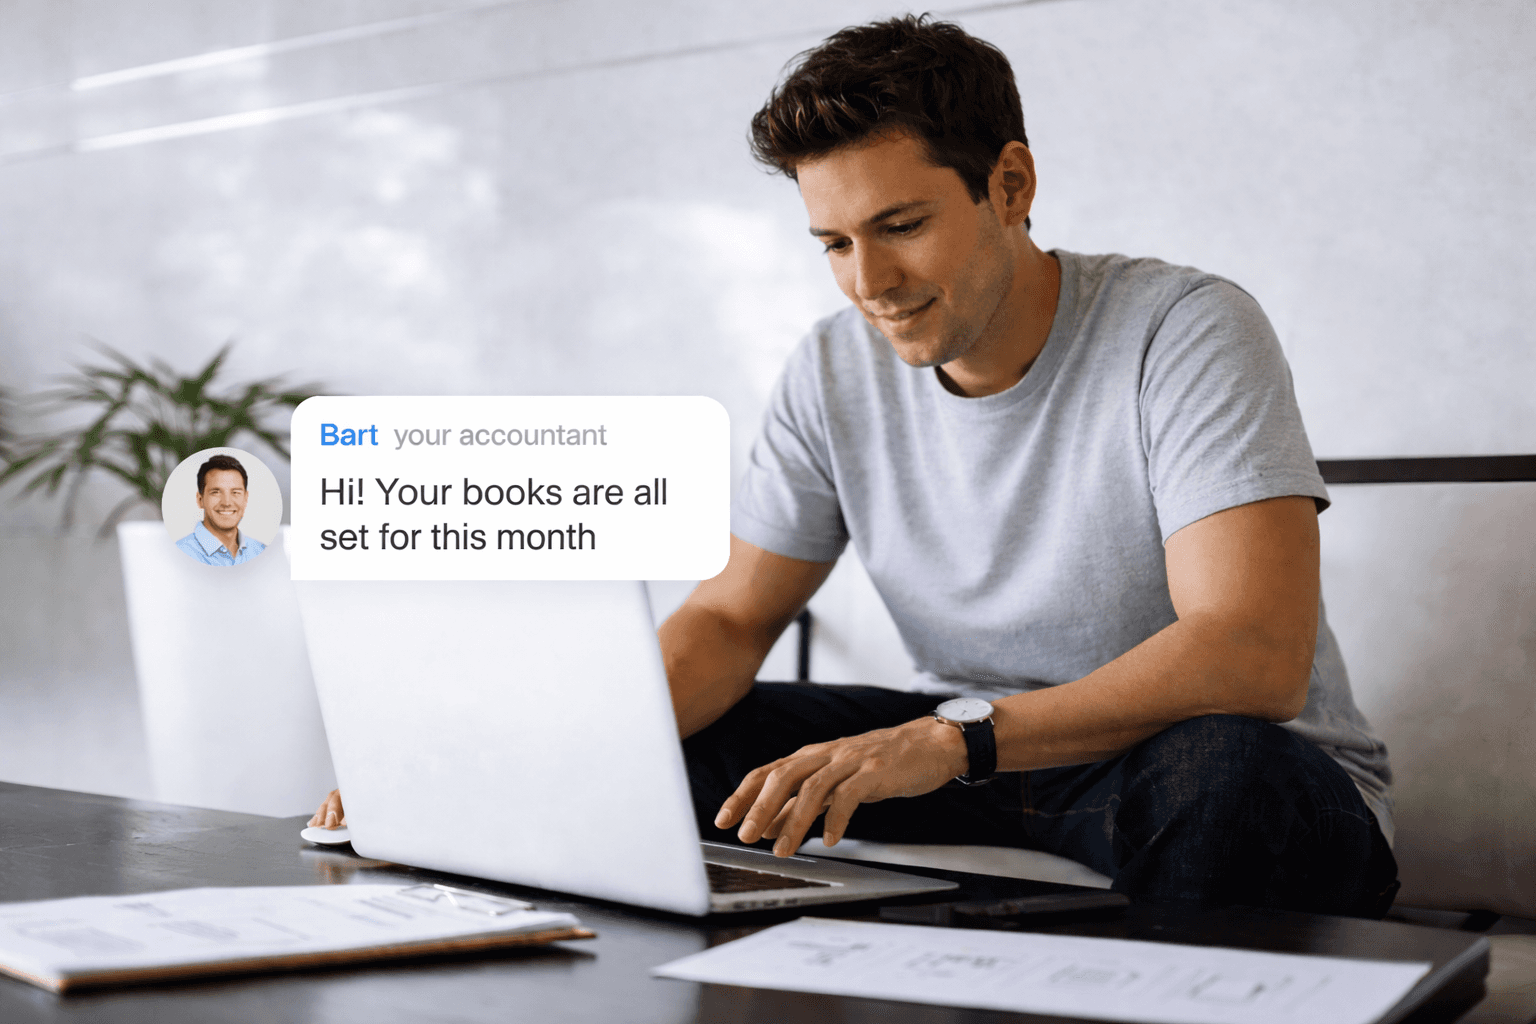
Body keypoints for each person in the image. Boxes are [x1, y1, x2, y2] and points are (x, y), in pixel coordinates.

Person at [317, 15, 1399, 917]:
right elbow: (733, 619)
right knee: (691, 744)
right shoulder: (833, 369)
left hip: (1195, 767)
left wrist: (949, 740)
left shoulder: (1185, 328)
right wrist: (500, 757)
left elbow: (1251, 653)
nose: (867, 280)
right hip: (976, 755)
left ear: (1010, 185)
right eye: (833, 243)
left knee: (1224, 775)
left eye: (900, 225)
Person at [175, 454, 267, 566]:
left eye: (236, 493)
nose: (226, 503)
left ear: (245, 499)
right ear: (200, 500)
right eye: (216, 492)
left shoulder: (262, 552)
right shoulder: (178, 555)